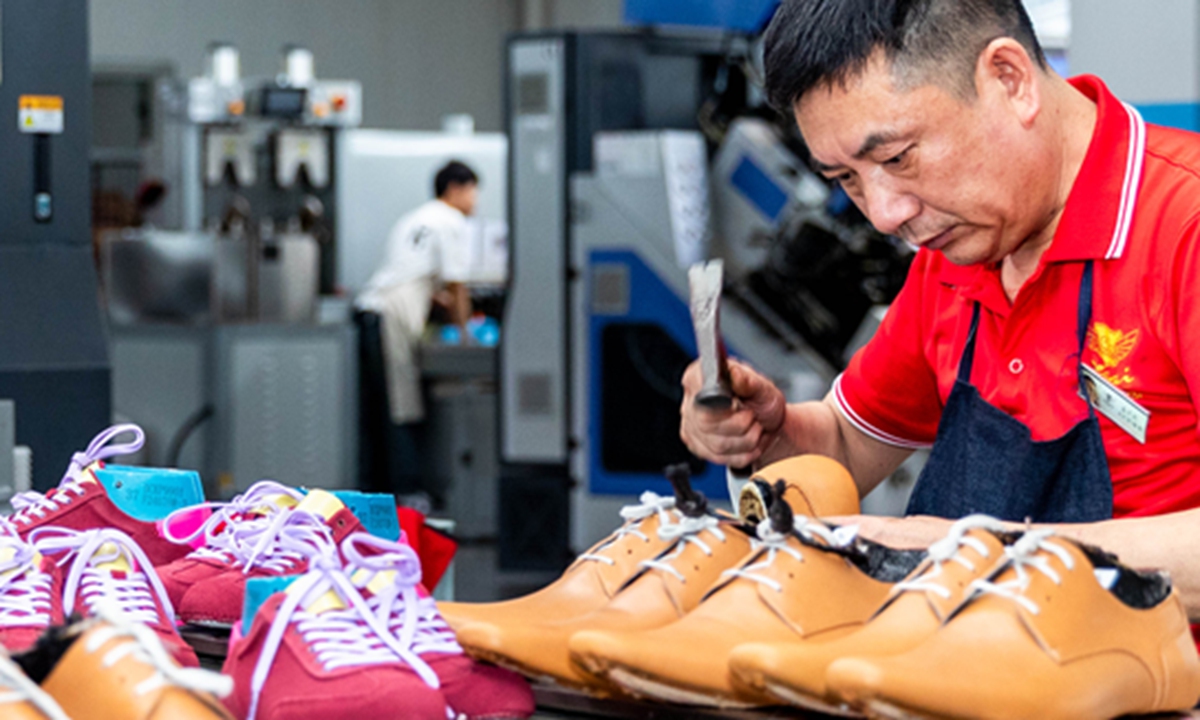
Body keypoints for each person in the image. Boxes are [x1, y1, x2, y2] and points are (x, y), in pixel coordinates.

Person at [680, 0, 1200, 615]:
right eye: (846, 178)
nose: (884, 214)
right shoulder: (955, 254)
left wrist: (972, 552)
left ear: (1009, 79)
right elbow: (848, 444)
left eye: (898, 157)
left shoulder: (1182, 227)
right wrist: (770, 436)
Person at [356, 161, 478, 496]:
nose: (475, 201)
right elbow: (457, 286)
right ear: (455, 189)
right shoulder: (452, 221)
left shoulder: (415, 218)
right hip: (393, 318)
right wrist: (466, 334)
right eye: (473, 191)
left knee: (376, 413)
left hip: (370, 311)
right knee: (401, 407)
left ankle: (374, 491)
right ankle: (408, 494)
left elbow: (412, 274)